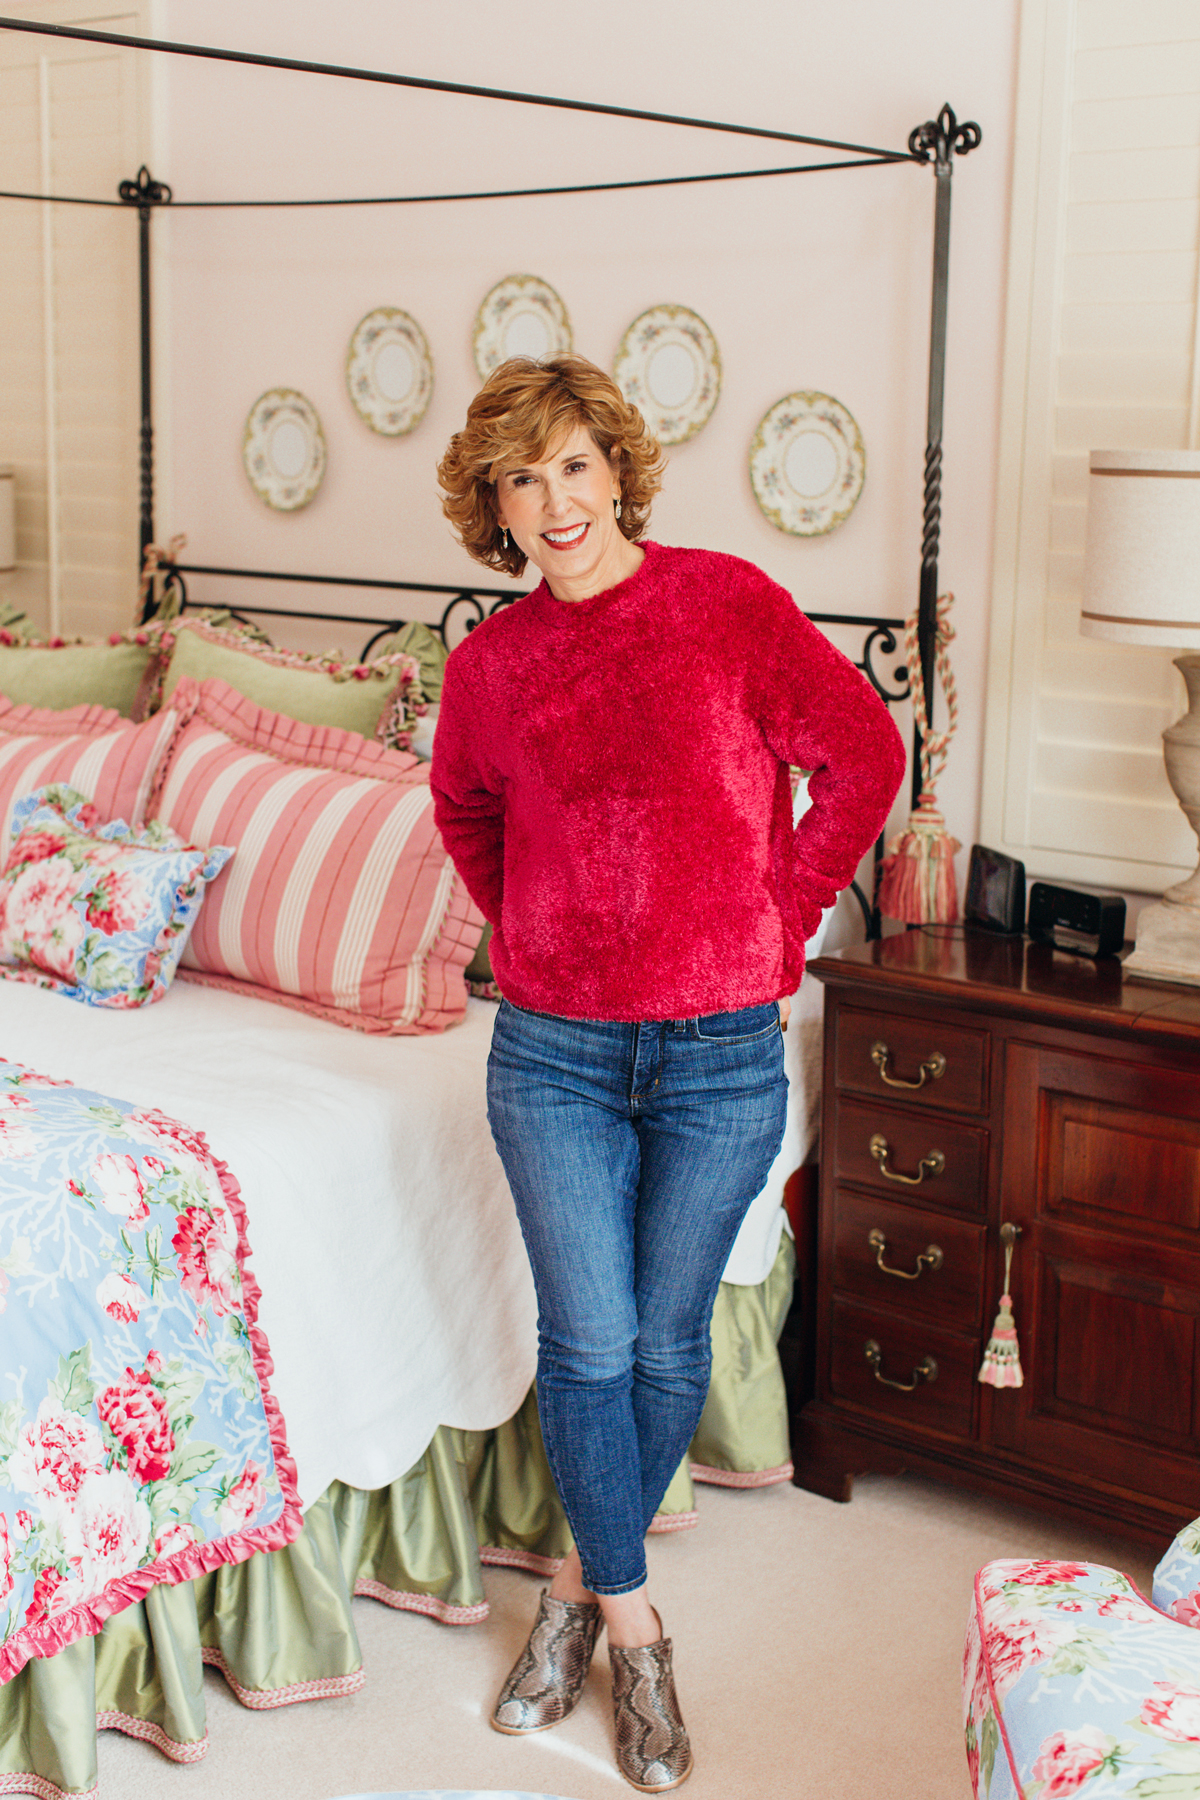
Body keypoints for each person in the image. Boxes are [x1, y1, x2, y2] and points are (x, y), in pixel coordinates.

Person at [431, 354, 905, 1792]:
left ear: (616, 471)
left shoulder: (728, 606)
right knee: (586, 1340)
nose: (554, 502)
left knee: (665, 1342)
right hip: (554, 1054)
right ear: (494, 509)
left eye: (573, 465)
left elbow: (866, 752)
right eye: (522, 478)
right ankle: (634, 1632)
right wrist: (526, 924)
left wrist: (789, 908)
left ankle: (574, 1589)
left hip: (718, 1053)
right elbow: (462, 808)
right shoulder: (490, 666)